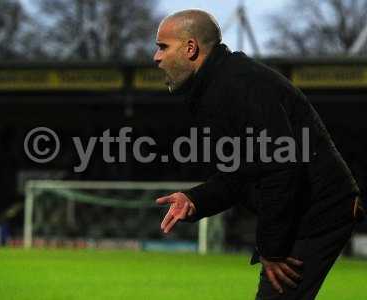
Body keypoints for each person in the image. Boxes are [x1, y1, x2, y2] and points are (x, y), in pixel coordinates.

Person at [154, 9, 365, 300]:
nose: (156, 57)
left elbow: (279, 167)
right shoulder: (216, 87)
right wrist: (196, 199)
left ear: (190, 48)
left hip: (319, 210)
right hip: (308, 208)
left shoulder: (239, 84)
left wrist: (273, 250)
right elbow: (244, 172)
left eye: (163, 46)